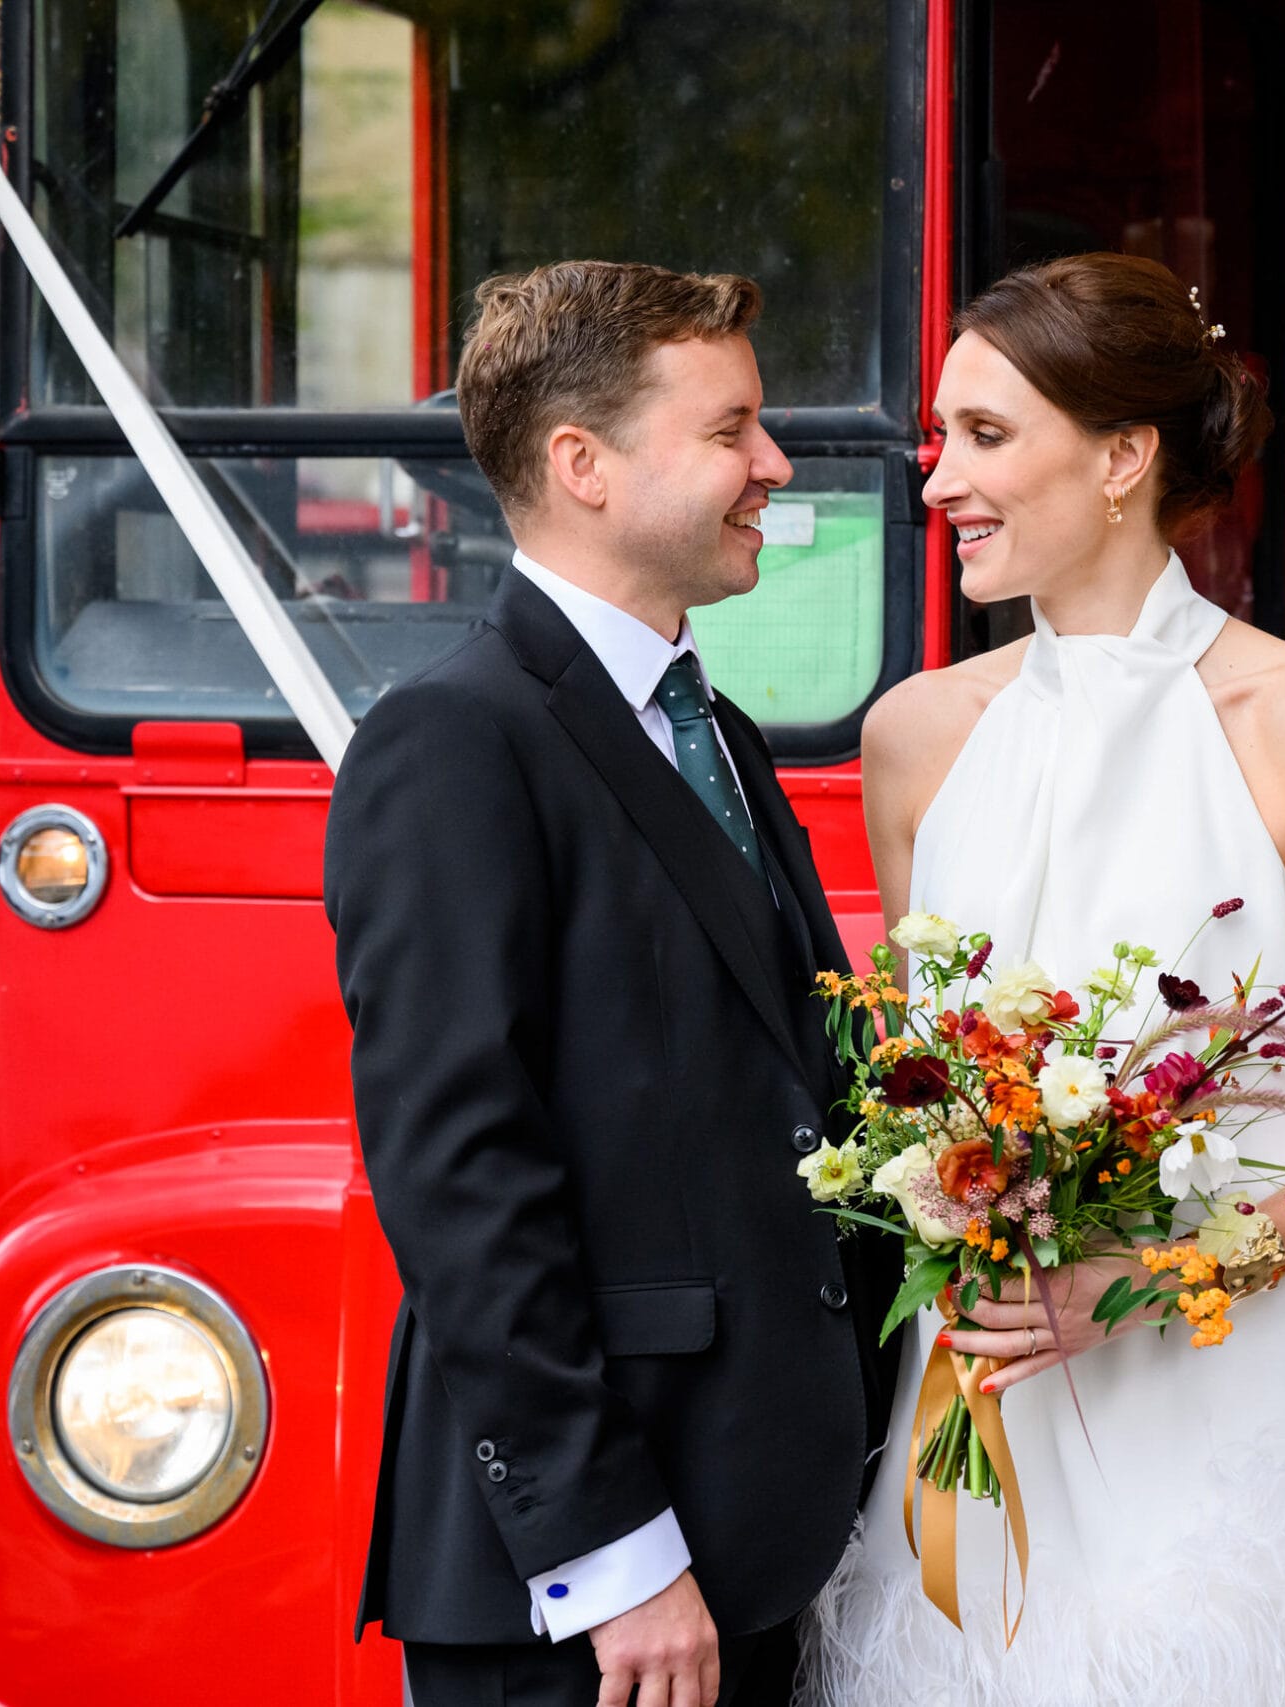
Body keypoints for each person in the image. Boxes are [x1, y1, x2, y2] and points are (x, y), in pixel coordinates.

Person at [796, 253, 1285, 1705]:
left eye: (982, 437)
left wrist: (1145, 1278)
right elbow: (930, 1095)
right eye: (935, 440)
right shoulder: (914, 736)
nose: (935, 487)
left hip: (1211, 1421)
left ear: (1121, 456)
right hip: (974, 1420)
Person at [324, 260, 904, 1707]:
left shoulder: (720, 735)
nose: (774, 465)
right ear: (581, 464)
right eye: (730, 432)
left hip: (762, 1537)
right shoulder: (452, 741)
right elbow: (462, 1181)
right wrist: (613, 1555)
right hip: (599, 1594)